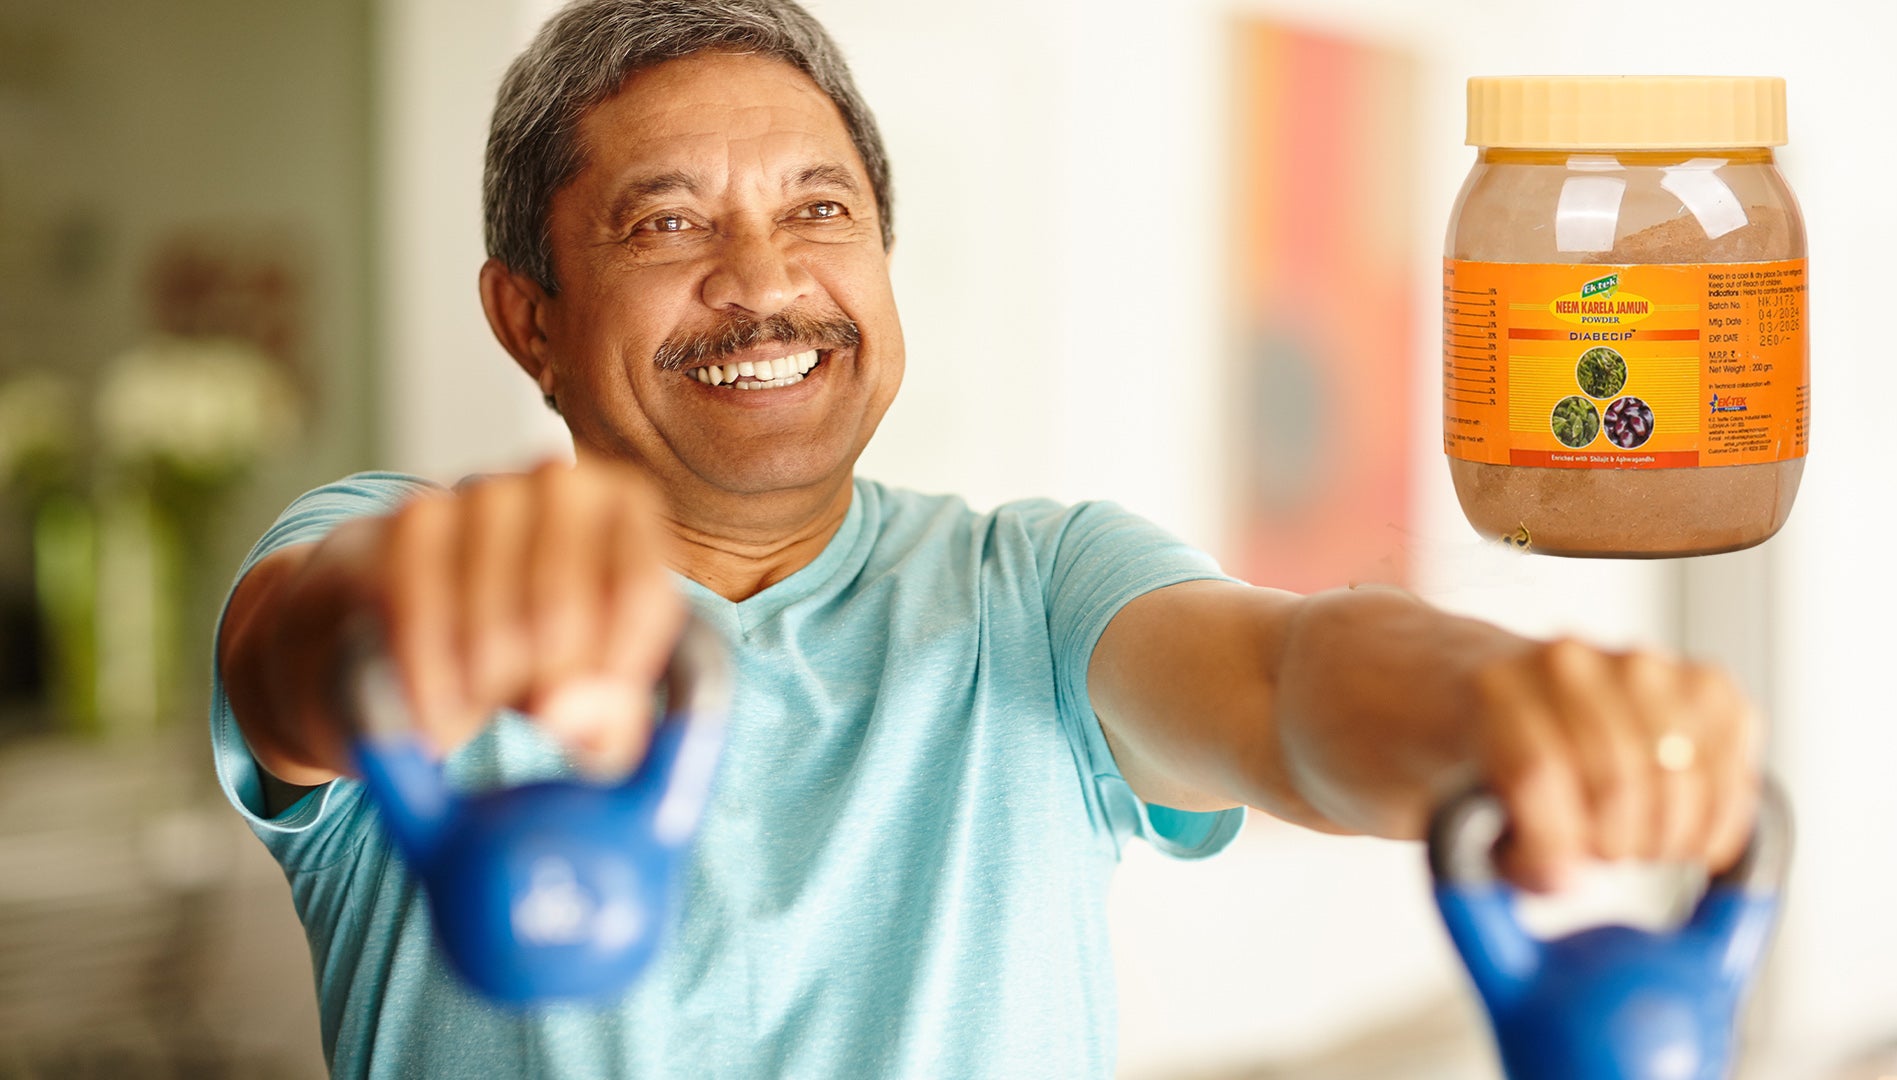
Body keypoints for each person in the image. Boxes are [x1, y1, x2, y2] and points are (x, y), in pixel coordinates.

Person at [211, 1, 1764, 1076]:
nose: (766, 281)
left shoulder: (1034, 591)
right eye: (667, 223)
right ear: (527, 317)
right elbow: (313, 647)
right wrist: (437, 615)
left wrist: (1508, 708)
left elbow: (1290, 681)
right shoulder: (392, 552)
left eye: (821, 211)